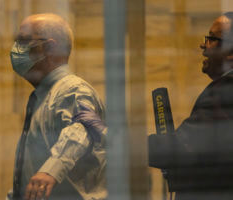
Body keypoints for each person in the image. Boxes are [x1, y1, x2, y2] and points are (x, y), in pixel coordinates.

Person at [74, 12, 233, 200]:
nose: (203, 46)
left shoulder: (226, 91)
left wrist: (109, 135)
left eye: (211, 39)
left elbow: (179, 148)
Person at [7, 13, 107, 200]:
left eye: (23, 41)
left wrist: (51, 170)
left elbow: (81, 130)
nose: (15, 49)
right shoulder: (43, 96)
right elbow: (30, 172)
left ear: (49, 47)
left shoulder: (72, 89)